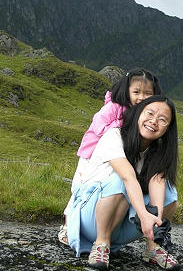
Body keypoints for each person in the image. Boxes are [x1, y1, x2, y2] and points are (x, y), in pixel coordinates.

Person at [66, 95, 180, 271]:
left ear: (168, 128)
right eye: (149, 113)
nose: (154, 121)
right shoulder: (114, 136)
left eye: (162, 120)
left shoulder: (159, 150)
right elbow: (128, 177)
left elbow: (157, 182)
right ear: (138, 113)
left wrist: (154, 226)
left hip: (120, 228)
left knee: (170, 192)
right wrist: (143, 214)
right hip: (91, 221)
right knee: (119, 180)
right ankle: (101, 244)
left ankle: (153, 248)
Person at [58, 68, 162, 246]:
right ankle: (68, 227)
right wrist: (119, 127)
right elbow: (99, 124)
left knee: (121, 184)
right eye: (136, 92)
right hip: (92, 155)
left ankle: (114, 228)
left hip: (118, 155)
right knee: (78, 187)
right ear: (126, 91)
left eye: (148, 93)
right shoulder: (114, 107)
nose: (142, 97)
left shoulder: (145, 115)